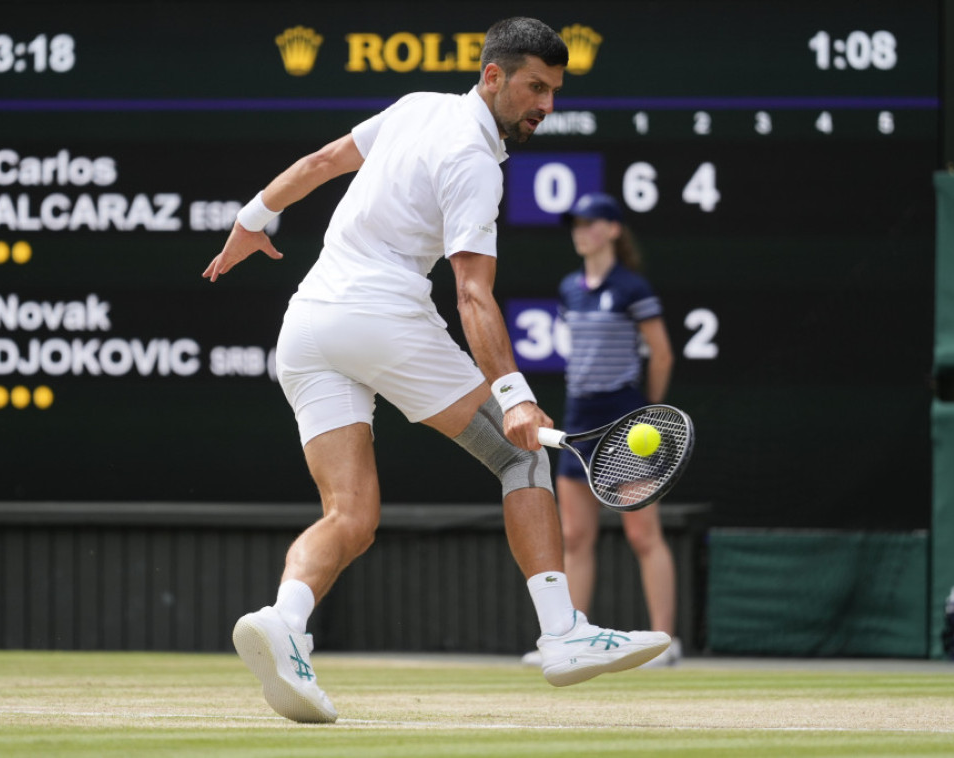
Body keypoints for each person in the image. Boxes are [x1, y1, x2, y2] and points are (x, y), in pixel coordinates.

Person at [203, 18, 670, 724]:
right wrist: (515, 398)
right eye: (533, 87)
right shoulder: (476, 162)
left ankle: (284, 621)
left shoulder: (417, 105)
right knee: (522, 460)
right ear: (493, 77)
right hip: (380, 318)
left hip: (305, 326)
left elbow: (324, 160)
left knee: (350, 516)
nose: (544, 105)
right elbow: (473, 295)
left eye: (554, 92)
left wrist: (255, 217)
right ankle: (563, 632)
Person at [522, 192, 680, 668]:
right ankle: (567, 639)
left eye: (591, 223)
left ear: (613, 229)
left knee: (642, 535)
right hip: (578, 420)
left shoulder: (632, 287)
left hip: (626, 422)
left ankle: (667, 644)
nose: (581, 230)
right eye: (577, 223)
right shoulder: (570, 287)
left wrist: (644, 413)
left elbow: (663, 354)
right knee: (574, 537)